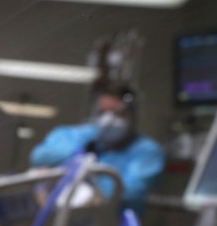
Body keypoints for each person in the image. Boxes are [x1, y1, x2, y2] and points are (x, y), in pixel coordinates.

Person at [29, 85, 164, 214]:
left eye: (118, 114)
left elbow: (130, 193)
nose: (108, 119)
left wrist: (91, 180)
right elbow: (40, 157)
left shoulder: (147, 151)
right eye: (103, 112)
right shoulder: (77, 135)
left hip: (111, 225)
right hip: (56, 217)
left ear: (132, 116)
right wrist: (78, 158)